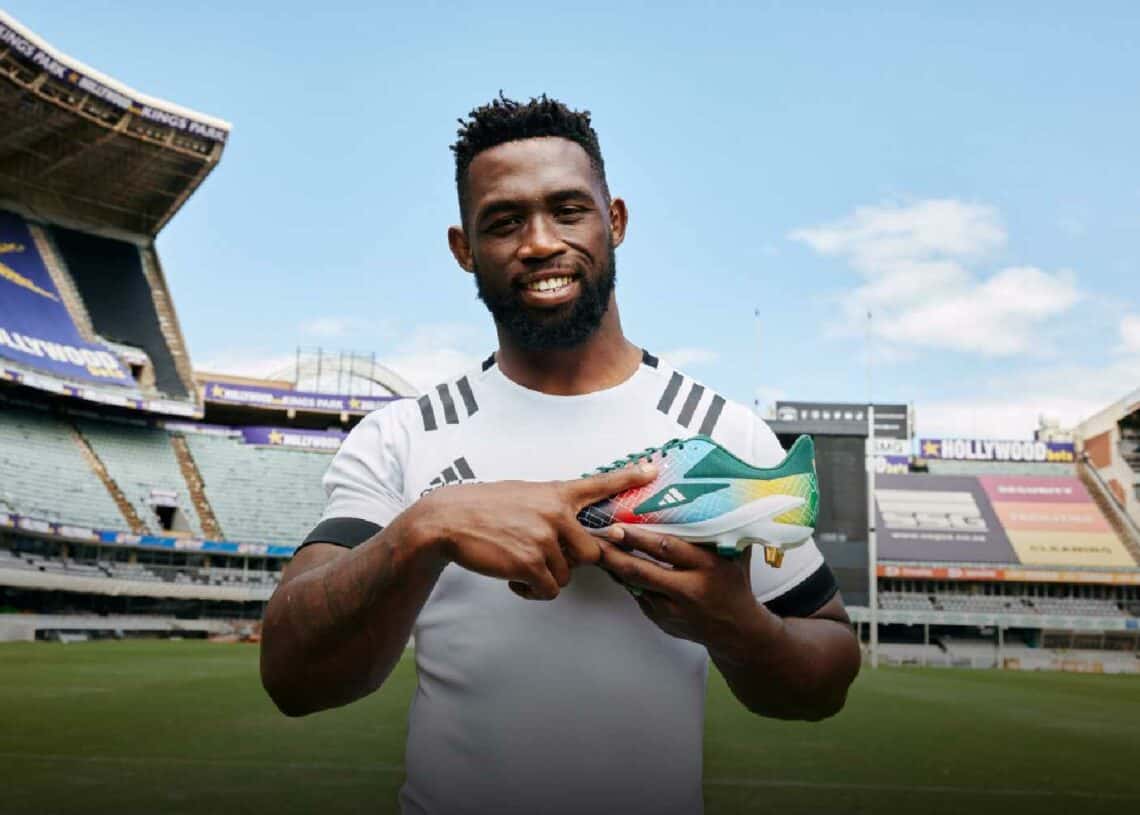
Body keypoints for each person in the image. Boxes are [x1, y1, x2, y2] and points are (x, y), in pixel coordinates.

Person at [260, 94, 861, 815]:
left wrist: (739, 628)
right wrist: (427, 528)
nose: (540, 242)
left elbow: (827, 675)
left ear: (616, 220)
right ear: (463, 249)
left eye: (569, 210)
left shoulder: (721, 432)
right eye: (504, 221)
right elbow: (291, 675)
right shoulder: (403, 436)